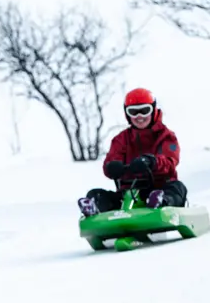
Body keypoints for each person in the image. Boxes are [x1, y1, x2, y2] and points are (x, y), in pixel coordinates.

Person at [78, 87, 187, 216]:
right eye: (134, 112)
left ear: (153, 111)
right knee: (95, 193)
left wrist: (152, 162)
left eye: (144, 111)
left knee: (178, 187)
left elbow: (170, 161)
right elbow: (111, 159)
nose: (139, 116)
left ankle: (161, 201)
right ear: (127, 114)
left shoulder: (166, 136)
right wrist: (112, 167)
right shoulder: (121, 139)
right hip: (127, 195)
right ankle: (93, 206)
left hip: (158, 187)